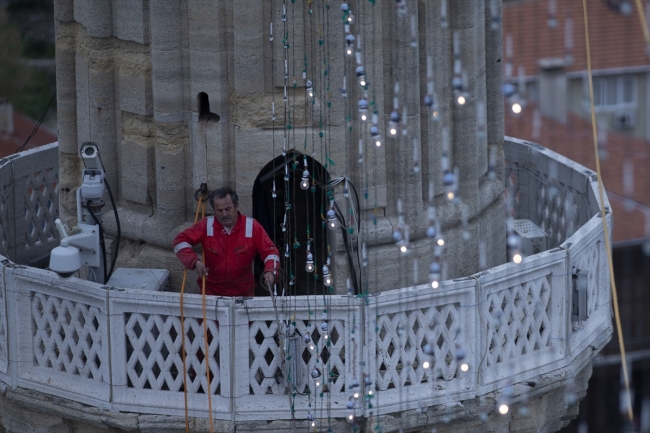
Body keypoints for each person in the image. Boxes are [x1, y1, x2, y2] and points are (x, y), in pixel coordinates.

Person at [173, 186, 280, 297]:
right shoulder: (207, 225)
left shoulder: (252, 226)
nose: (224, 214)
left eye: (228, 209)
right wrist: (194, 262)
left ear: (236, 206)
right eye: (219, 210)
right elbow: (179, 241)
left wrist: (270, 271)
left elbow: (270, 252)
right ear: (214, 210)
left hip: (243, 294)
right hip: (211, 293)